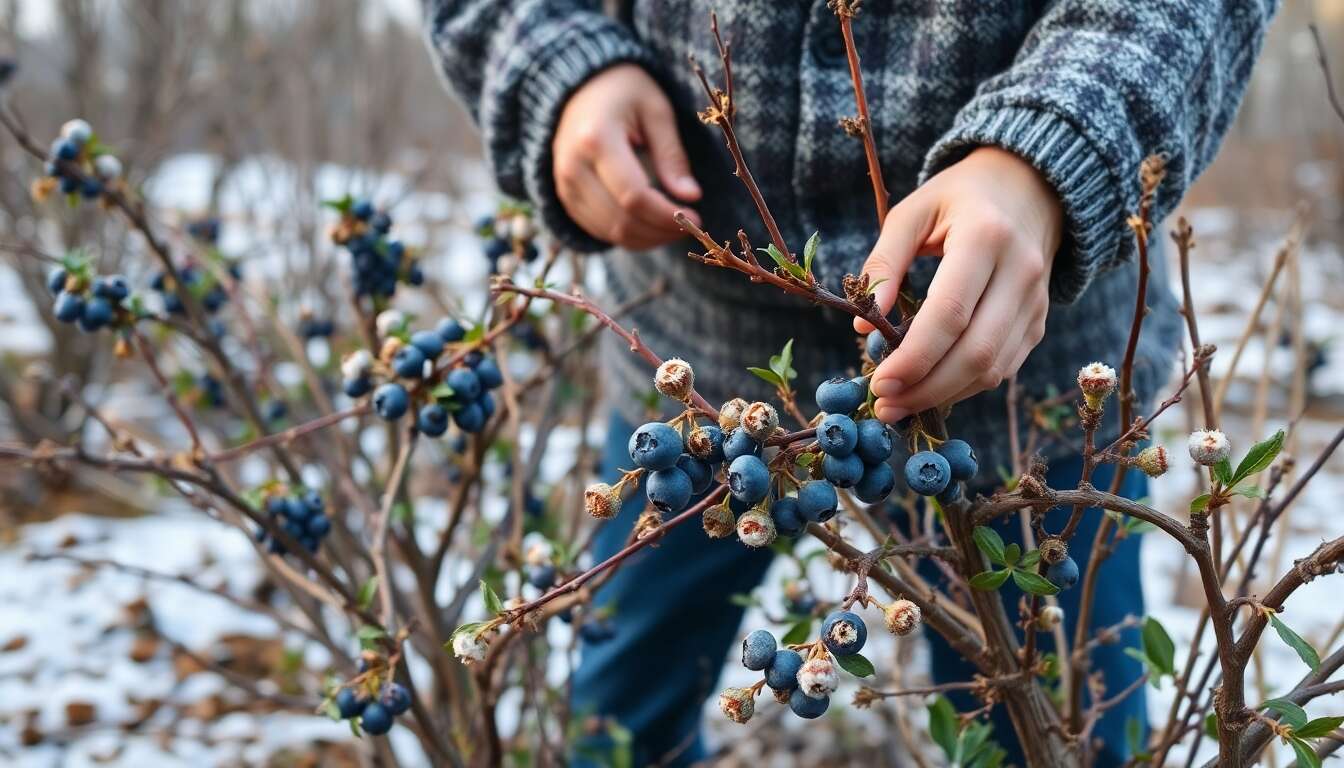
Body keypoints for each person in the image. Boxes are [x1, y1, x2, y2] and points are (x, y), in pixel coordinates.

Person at [424, 1, 1276, 764]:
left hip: (1030, 370)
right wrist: (560, 61)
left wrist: (1056, 146)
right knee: (617, 725)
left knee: (1058, 732)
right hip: (696, 373)